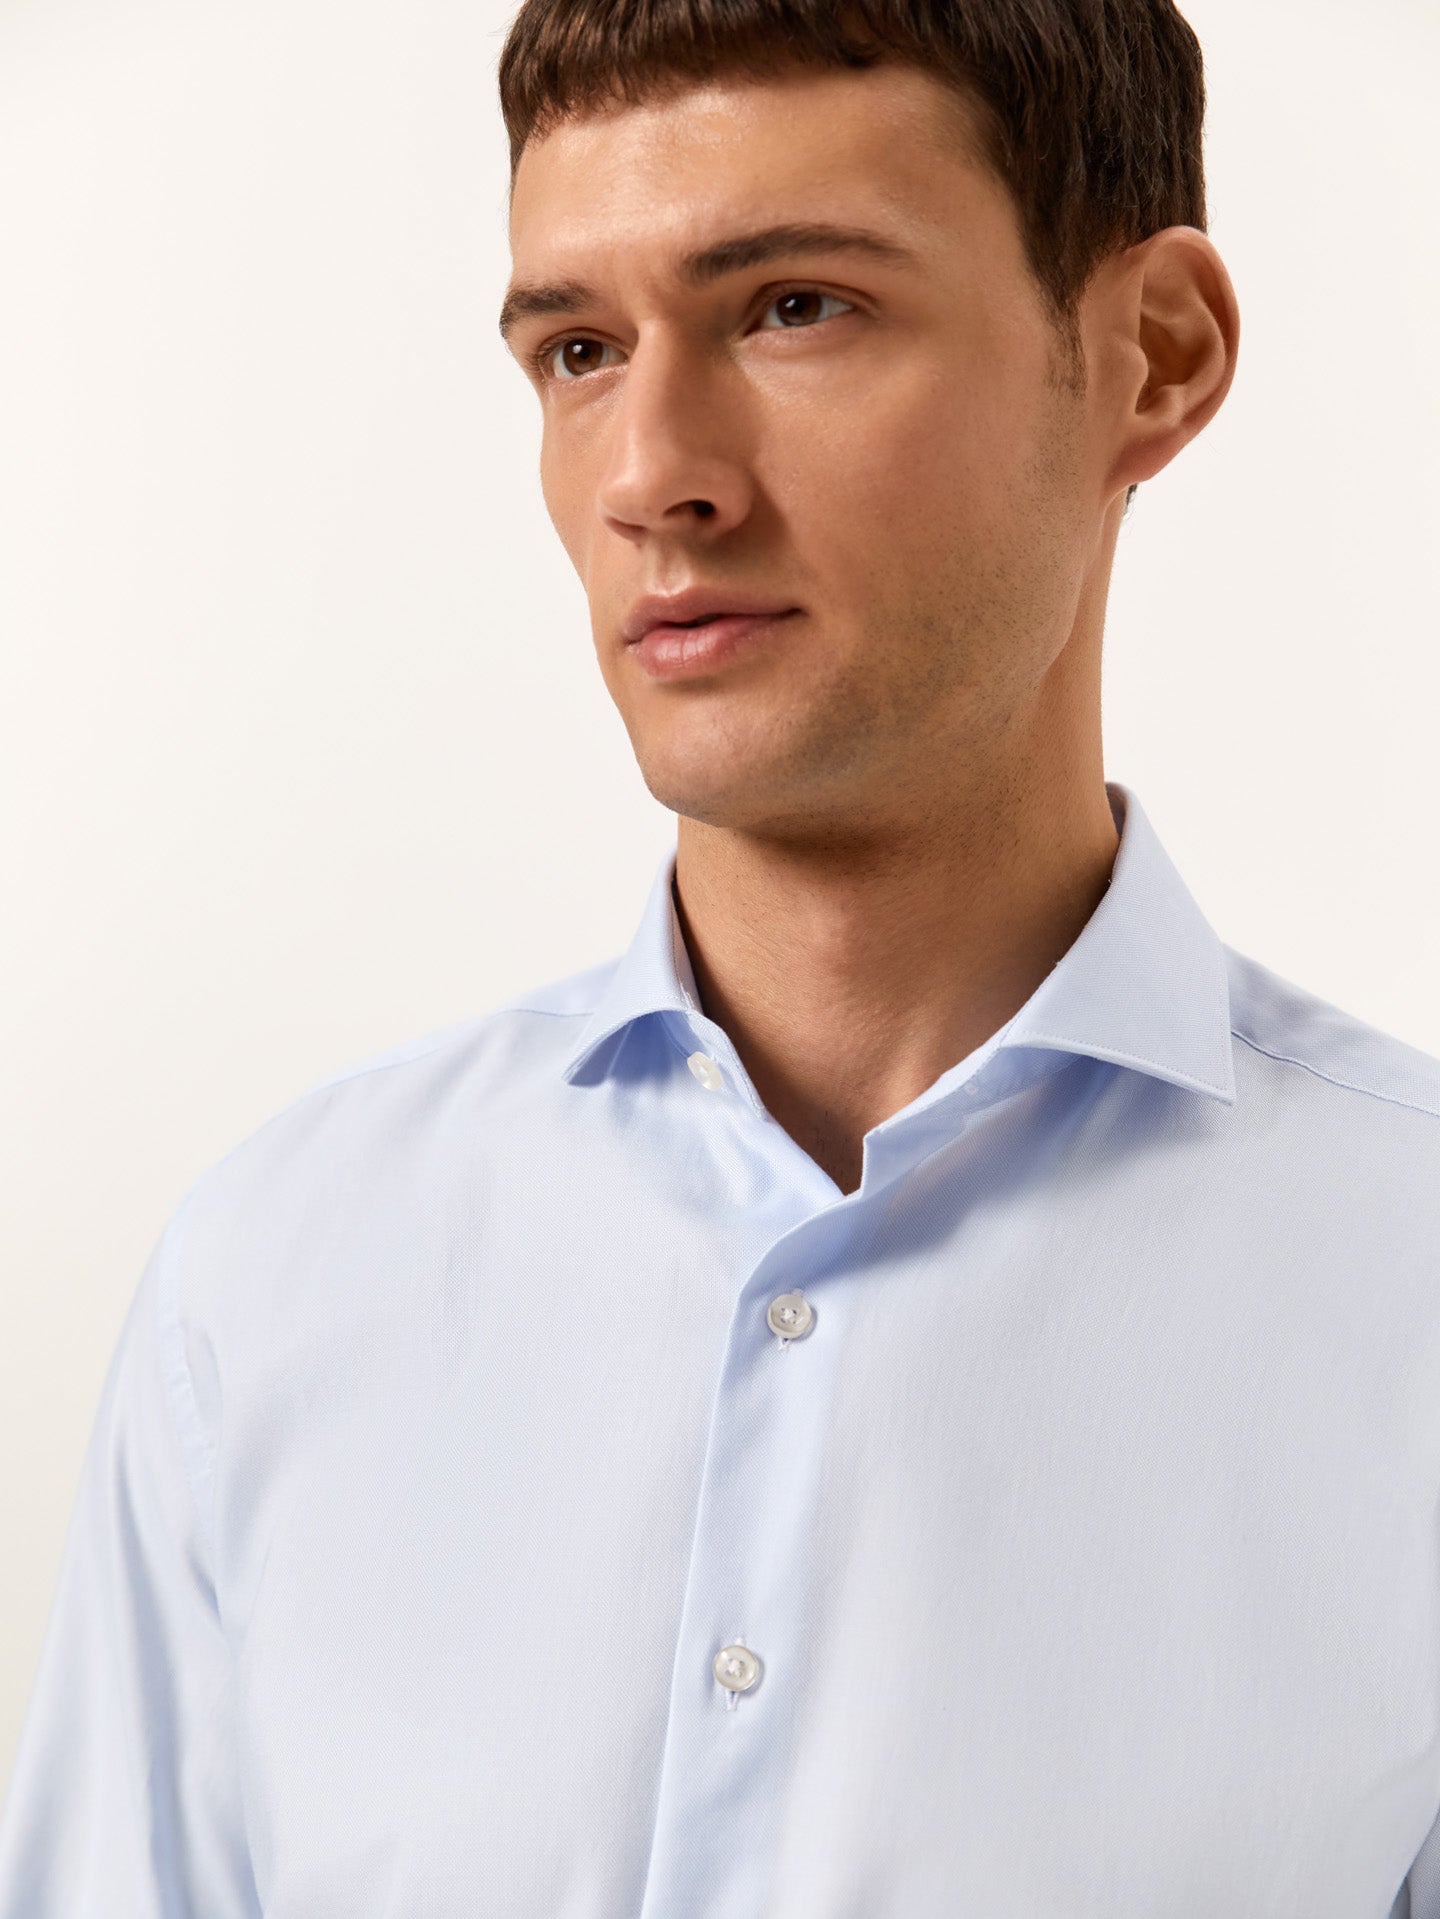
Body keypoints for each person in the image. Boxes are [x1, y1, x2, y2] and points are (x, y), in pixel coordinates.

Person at [3, 0, 1439, 1911]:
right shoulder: (270, 1287)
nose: (652, 474)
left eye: (794, 309)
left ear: (1153, 357)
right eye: (579, 351)